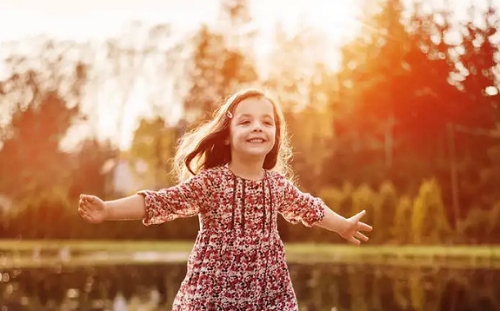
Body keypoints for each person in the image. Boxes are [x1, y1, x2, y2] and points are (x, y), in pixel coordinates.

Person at [78, 89, 372, 311]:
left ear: (275, 136)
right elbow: (160, 202)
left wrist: (343, 225)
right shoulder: (211, 183)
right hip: (213, 293)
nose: (258, 126)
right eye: (246, 121)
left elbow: (311, 209)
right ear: (228, 136)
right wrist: (107, 210)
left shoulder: (277, 186)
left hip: (267, 292)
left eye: (267, 122)